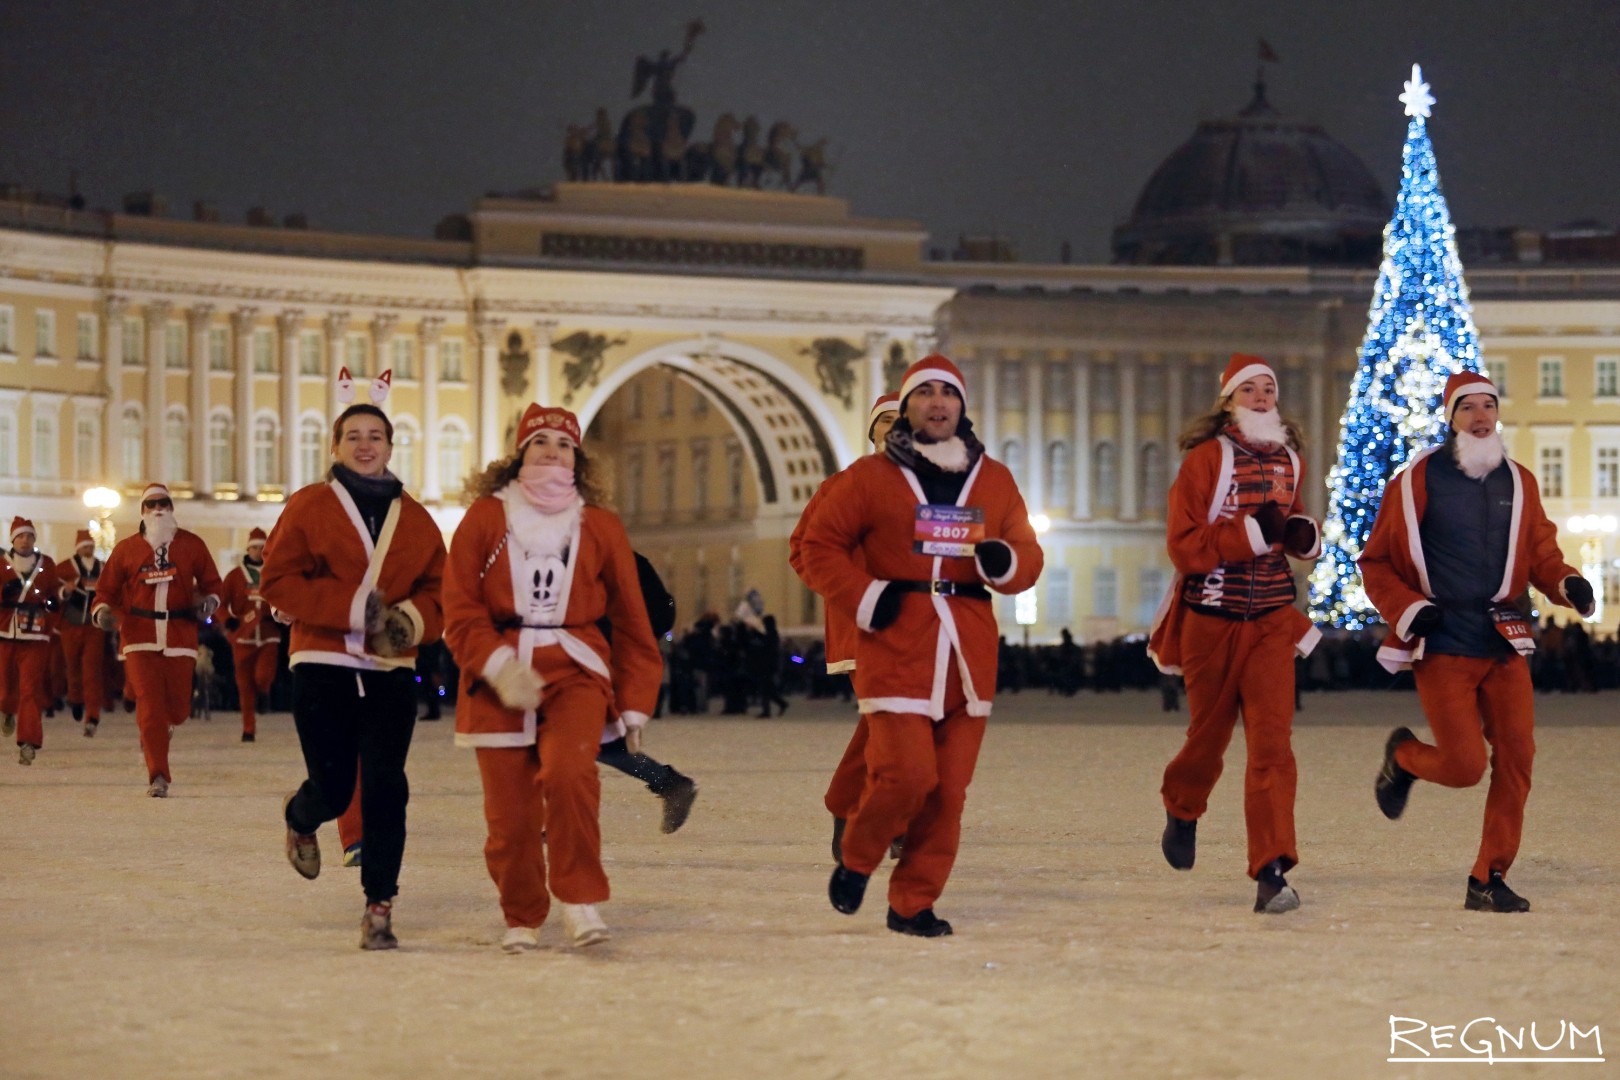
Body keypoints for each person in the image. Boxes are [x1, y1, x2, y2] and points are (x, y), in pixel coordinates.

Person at [800, 355, 1043, 937]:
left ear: (962, 408)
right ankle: (858, 854)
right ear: (906, 408)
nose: (938, 403)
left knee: (948, 795)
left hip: (968, 652)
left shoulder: (995, 479)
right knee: (906, 775)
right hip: (898, 641)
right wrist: (863, 597)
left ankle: (912, 904)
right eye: (925, 393)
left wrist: (1006, 564)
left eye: (948, 394)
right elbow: (816, 545)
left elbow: (1028, 554)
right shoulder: (870, 478)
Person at [1360, 372, 1593, 913]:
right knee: (1465, 767)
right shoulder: (1416, 480)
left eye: (1489, 406)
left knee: (1517, 756)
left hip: (1504, 640)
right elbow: (1376, 563)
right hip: (1444, 641)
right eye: (1469, 408)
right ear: (1451, 418)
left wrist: (1566, 583)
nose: (1482, 416)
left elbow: (1541, 554)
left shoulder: (1520, 481)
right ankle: (1405, 756)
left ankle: (1488, 876)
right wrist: (1410, 609)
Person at [444, 402, 662, 951]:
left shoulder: (602, 526)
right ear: (520, 453)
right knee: (510, 817)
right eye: (541, 442)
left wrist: (634, 704)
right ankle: (522, 914)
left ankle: (580, 897)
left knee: (570, 775)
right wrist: (497, 665)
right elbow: (459, 607)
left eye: (563, 445)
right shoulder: (484, 518)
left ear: (578, 458)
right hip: (498, 674)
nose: (552, 451)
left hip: (575, 668)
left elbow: (634, 621)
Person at [260, 384, 446, 950]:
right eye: (353, 436)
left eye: (376, 436)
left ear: (391, 447)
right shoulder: (309, 506)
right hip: (321, 662)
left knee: (387, 785)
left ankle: (379, 904)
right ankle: (301, 814)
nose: (365, 445)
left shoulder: (415, 518)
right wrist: (349, 609)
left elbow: (443, 590)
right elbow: (278, 581)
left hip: (390, 668)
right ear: (335, 447)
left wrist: (410, 621)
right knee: (337, 786)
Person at [1147, 354, 1322, 914]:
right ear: (1228, 401)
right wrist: (1251, 533)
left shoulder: (1291, 459)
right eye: (1250, 389)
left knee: (1273, 746)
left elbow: (1293, 525)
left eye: (1270, 387)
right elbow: (1185, 548)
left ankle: (1271, 870)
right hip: (1212, 622)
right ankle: (1183, 803)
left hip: (1272, 620)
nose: (1264, 395)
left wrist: (1300, 536)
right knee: (1209, 738)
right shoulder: (1204, 461)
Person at [790, 392, 899, 861]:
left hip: (927, 630)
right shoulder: (843, 485)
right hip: (867, 626)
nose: (897, 429)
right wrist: (851, 593)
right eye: (887, 421)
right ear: (873, 432)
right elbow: (804, 551)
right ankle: (847, 807)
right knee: (889, 721)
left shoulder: (939, 490)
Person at [92, 486, 224, 794]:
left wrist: (209, 602)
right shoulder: (126, 548)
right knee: (150, 707)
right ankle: (158, 775)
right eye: (150, 505)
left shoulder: (191, 544)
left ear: (172, 507)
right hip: (139, 636)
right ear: (142, 511)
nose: (158, 510)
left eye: (164, 503)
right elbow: (105, 590)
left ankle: (162, 729)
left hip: (180, 635)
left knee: (177, 709)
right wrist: (102, 613)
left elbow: (213, 583)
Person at [1, 518, 62, 764]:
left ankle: (28, 741)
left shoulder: (46, 564)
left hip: (35, 634)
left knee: (30, 689)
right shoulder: (1, 564)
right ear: (13, 539)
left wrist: (56, 603)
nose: (25, 540)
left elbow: (54, 593)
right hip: (4, 633)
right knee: (5, 687)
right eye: (21, 536)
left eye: (29, 536)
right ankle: (6, 710)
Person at [220, 526, 280, 743]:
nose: (257, 551)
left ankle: (264, 691)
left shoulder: (274, 573)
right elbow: (220, 603)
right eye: (254, 548)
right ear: (248, 550)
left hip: (268, 633)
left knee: (263, 675)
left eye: (261, 548)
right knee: (244, 686)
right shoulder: (235, 576)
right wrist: (227, 620)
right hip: (242, 636)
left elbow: (286, 597)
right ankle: (248, 729)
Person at [53, 530, 107, 736]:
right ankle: (75, 699)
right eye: (85, 546)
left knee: (92, 671)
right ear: (78, 548)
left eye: (91, 546)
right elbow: (53, 590)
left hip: (93, 628)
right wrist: (65, 591)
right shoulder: (65, 568)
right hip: (70, 626)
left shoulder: (102, 568)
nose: (89, 549)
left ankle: (92, 714)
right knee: (73, 666)